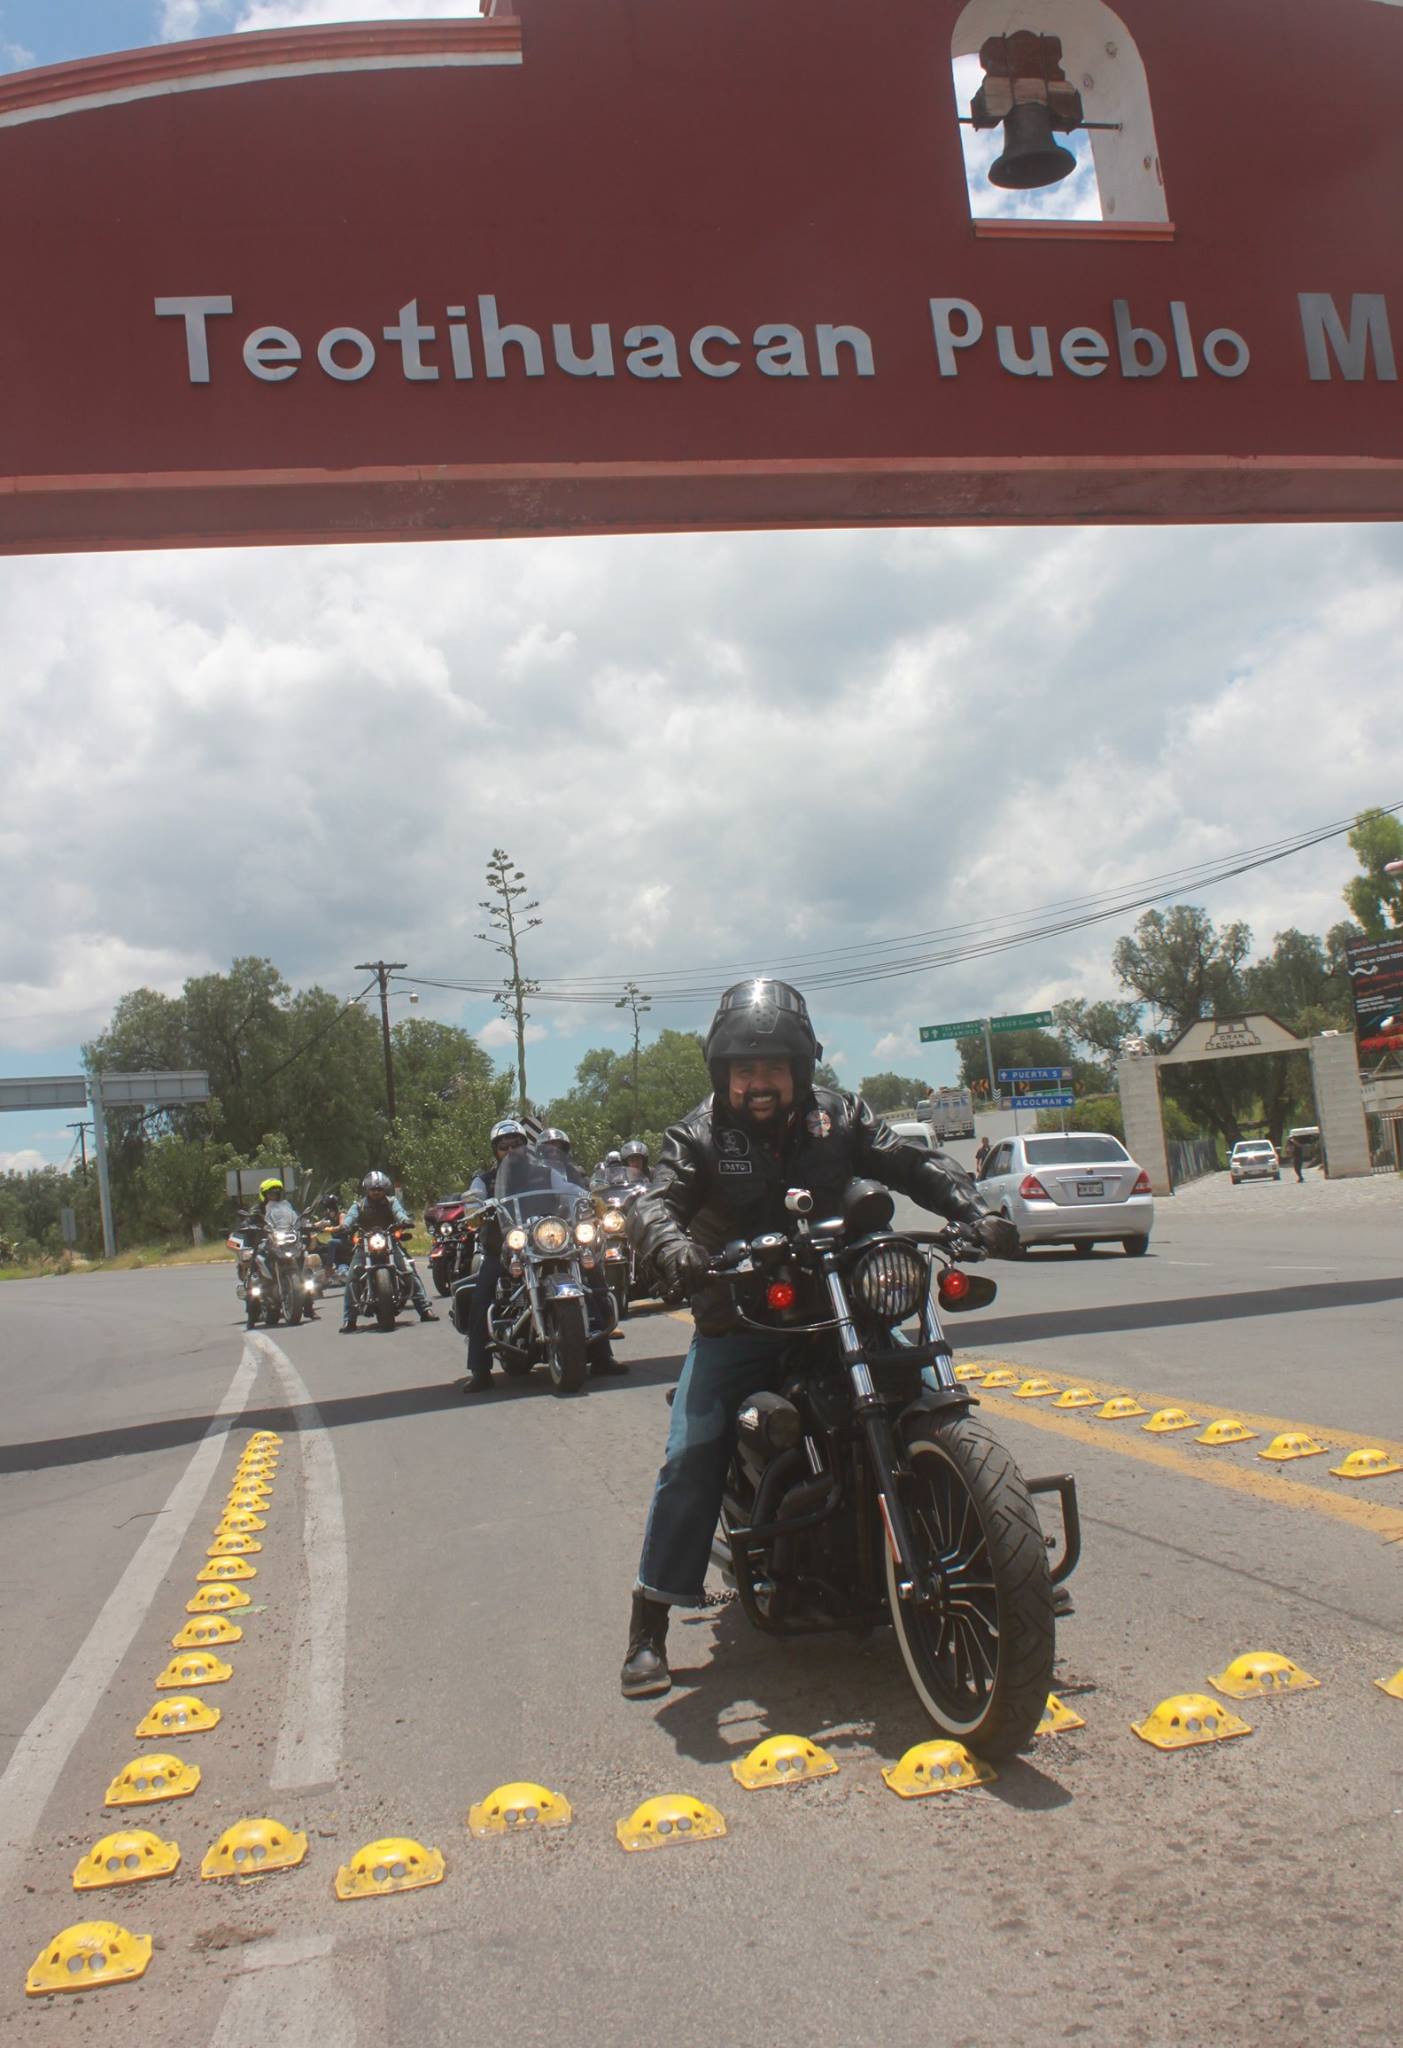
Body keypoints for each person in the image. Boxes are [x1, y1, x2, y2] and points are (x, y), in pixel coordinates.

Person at [618, 976, 1021, 1700]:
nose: (758, 1083)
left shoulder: (840, 1117)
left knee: (932, 1391)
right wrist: (674, 1252)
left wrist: (969, 1204)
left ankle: (1001, 1563)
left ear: (800, 1071)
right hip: (741, 1314)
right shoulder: (699, 1134)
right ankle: (649, 1620)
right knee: (693, 1452)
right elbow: (654, 1202)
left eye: (773, 1067)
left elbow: (911, 1163)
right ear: (724, 1075)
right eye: (744, 1070)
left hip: (844, 1300)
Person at [340, 1170, 437, 1332]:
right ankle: (349, 1319)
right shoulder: (359, 1205)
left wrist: (405, 1220)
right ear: (367, 1190)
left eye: (379, 1189)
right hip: (365, 1245)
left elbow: (399, 1213)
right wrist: (345, 1225)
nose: (376, 1192)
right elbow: (350, 1217)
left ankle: (425, 1309)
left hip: (389, 1242)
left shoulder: (392, 1202)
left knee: (408, 1270)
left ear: (384, 1190)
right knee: (353, 1277)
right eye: (373, 1189)